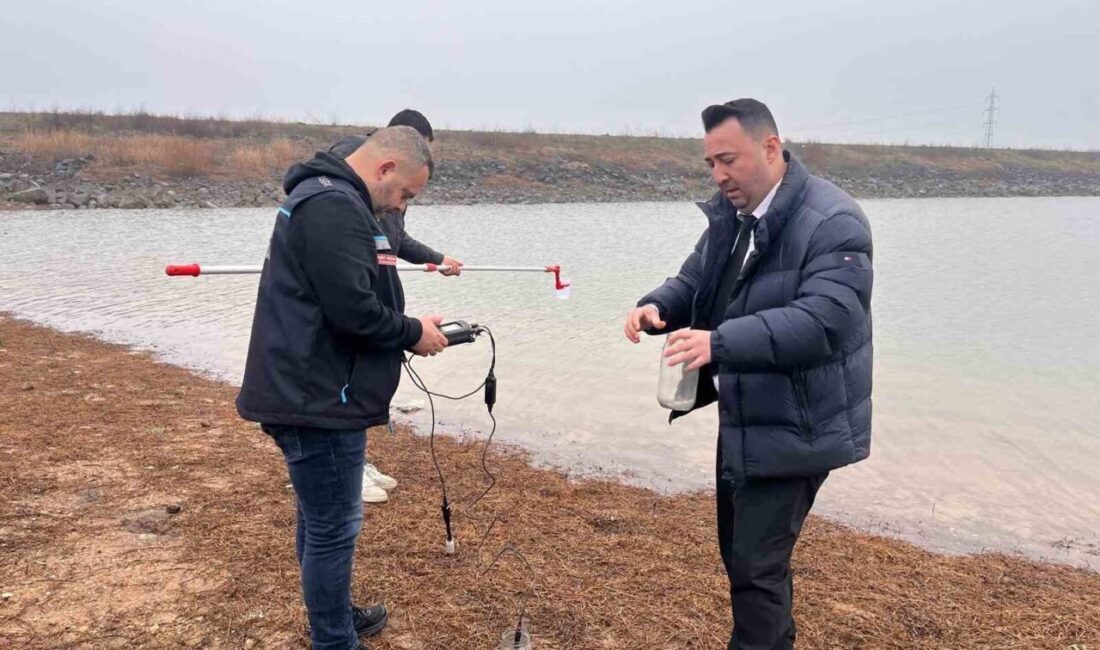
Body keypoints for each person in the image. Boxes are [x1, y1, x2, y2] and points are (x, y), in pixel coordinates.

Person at [624, 98, 873, 649]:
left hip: (800, 422)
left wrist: (718, 343)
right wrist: (658, 306)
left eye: (729, 160)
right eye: (711, 162)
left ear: (770, 147)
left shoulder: (835, 220)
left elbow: (826, 321)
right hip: (745, 412)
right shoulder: (733, 216)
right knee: (744, 559)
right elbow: (696, 279)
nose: (719, 175)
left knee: (757, 568)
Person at [237, 126, 448, 650]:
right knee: (333, 527)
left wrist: (410, 325)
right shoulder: (334, 207)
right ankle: (334, 639)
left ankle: (334, 618)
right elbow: (353, 312)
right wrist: (412, 332)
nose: (400, 207)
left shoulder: (333, 199)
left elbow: (346, 297)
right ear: (385, 168)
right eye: (404, 194)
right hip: (317, 396)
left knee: (319, 518)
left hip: (313, 388)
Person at [328, 109, 463, 504]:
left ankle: (355, 460)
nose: (401, 204)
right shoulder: (349, 170)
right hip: (357, 293)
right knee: (345, 383)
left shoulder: (390, 189)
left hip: (376, 298)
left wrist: (436, 259)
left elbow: (396, 239)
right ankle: (343, 468)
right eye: (422, 149)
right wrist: (410, 331)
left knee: (366, 381)